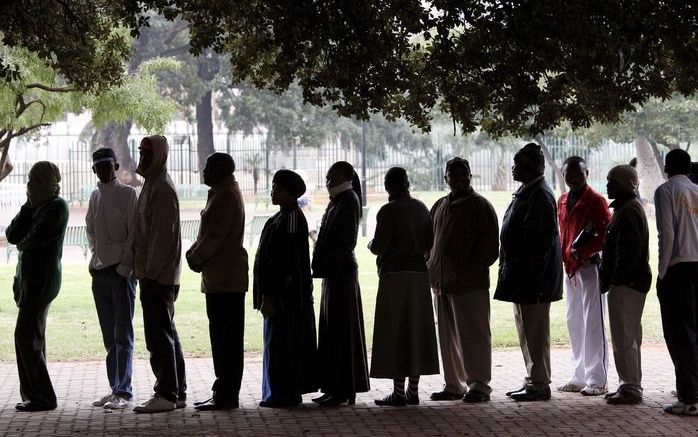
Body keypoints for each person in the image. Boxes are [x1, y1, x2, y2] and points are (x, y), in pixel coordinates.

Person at [494, 143, 563, 402]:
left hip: (533, 280)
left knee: (535, 331)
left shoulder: (541, 196)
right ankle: (533, 377)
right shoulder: (528, 192)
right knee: (526, 329)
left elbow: (542, 242)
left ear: (530, 167)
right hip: (522, 277)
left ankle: (540, 382)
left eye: (518, 164)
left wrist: (533, 279)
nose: (513, 168)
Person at [428, 158, 499, 404]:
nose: (458, 179)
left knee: (474, 335)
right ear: (445, 178)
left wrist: (467, 270)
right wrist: (432, 265)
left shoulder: (480, 206)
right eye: (453, 175)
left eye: (463, 174)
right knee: (447, 338)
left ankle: (479, 385)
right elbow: (430, 241)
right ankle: (454, 385)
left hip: (470, 284)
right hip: (441, 284)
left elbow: (490, 249)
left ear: (470, 176)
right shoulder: (439, 205)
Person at [369, 167, 439, 407]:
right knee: (416, 331)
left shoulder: (387, 211)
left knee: (396, 332)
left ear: (388, 187)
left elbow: (379, 246)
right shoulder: (421, 208)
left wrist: (371, 244)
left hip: (394, 275)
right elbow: (429, 242)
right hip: (419, 275)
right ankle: (413, 390)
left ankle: (398, 392)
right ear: (408, 184)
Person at [186, 153, 248, 411]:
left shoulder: (224, 196)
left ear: (220, 170)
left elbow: (214, 236)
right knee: (224, 337)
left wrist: (194, 257)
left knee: (226, 339)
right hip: (222, 276)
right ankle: (223, 390)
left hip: (226, 278)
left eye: (208, 166)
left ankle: (226, 394)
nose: (203, 170)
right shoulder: (222, 192)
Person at [7, 161, 68, 412]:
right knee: (32, 336)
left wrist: (24, 240)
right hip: (28, 281)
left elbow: (34, 241)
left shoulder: (56, 206)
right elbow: (13, 235)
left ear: (49, 183)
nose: (30, 185)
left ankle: (43, 396)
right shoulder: (35, 207)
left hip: (42, 281)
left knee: (26, 335)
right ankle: (33, 394)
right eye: (29, 180)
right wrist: (27, 207)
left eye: (36, 181)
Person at [253, 169, 318, 408]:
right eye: (273, 187)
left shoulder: (291, 218)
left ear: (290, 194)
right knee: (276, 342)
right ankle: (275, 392)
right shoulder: (281, 216)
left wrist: (271, 293)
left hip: (286, 296)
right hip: (278, 294)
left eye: (277, 189)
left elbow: (283, 261)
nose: (273, 192)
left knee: (284, 344)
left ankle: (284, 393)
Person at [132, 135, 187, 413]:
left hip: (158, 275)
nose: (142, 158)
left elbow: (162, 238)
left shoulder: (162, 188)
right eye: (141, 152)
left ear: (159, 156)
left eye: (147, 153)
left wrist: (149, 274)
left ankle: (166, 393)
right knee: (166, 332)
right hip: (154, 273)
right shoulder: (152, 184)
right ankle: (177, 390)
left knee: (158, 335)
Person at [311, 161, 370, 406]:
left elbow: (345, 242)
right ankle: (333, 385)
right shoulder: (340, 200)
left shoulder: (348, 200)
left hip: (341, 273)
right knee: (331, 330)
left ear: (346, 177)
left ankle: (343, 388)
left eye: (332, 177)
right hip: (333, 273)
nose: (328, 182)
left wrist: (326, 262)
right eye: (327, 177)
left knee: (341, 331)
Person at [86, 148, 138, 410]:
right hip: (101, 273)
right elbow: (91, 232)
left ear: (116, 166)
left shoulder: (128, 195)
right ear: (94, 169)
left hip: (120, 273)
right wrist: (95, 263)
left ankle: (124, 391)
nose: (104, 170)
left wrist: (124, 267)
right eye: (99, 166)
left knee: (123, 335)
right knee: (110, 337)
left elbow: (133, 234)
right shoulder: (95, 196)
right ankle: (114, 387)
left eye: (108, 165)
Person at [556, 156, 611, 396]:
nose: (573, 178)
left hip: (590, 268)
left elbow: (606, 235)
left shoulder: (597, 201)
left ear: (586, 173)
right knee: (574, 322)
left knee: (593, 324)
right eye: (569, 174)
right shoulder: (562, 200)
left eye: (578, 174)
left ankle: (596, 379)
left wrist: (586, 251)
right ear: (563, 174)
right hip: (570, 269)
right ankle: (578, 375)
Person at [601, 164, 651, 405]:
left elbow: (628, 252)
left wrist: (615, 279)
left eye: (612, 182)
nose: (607, 185)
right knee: (626, 335)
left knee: (625, 336)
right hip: (627, 282)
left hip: (627, 284)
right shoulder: (627, 208)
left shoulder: (628, 211)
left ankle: (631, 386)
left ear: (623, 186)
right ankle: (628, 384)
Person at [654, 149, 698, 416]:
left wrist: (663, 271)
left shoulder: (665, 191)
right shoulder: (696, 189)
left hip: (678, 267)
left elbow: (666, 233)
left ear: (666, 167)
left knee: (680, 334)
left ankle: (689, 397)